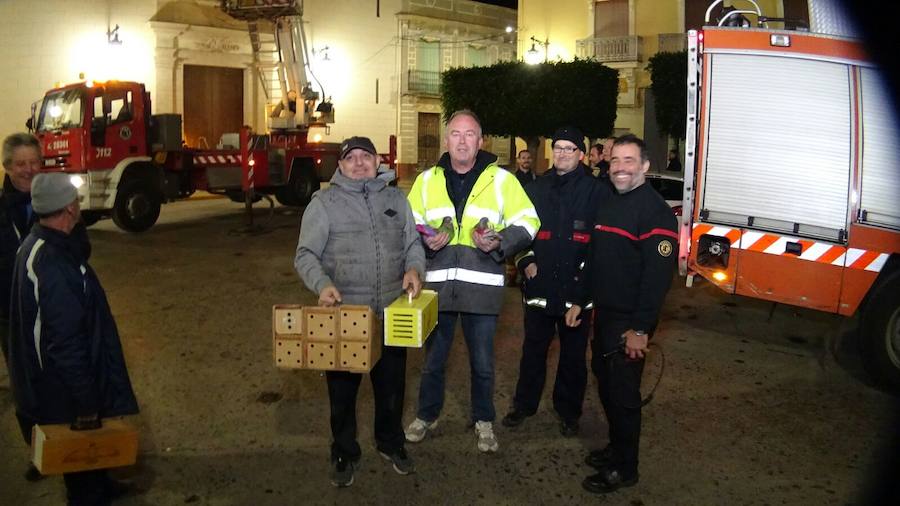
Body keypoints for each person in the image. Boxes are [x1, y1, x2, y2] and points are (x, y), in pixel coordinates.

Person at [404, 110, 540, 453]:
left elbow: (529, 221)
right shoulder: (426, 180)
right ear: (446, 139)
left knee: (482, 363)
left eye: (470, 135)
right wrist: (425, 241)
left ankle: (484, 420)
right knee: (433, 360)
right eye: (455, 134)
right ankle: (426, 414)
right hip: (436, 288)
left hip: (481, 289)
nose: (462, 141)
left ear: (481, 142)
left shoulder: (502, 180)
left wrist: (501, 242)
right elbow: (409, 225)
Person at [294, 136, 425, 488]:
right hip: (345, 318)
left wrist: (415, 269)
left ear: (377, 160)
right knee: (342, 396)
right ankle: (344, 451)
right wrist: (321, 284)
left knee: (392, 390)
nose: (359, 163)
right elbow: (305, 254)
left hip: (390, 316)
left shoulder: (397, 199)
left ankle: (390, 443)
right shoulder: (324, 203)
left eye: (365, 156)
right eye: (350, 158)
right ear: (340, 165)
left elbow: (413, 243)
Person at [6, 172, 139, 504]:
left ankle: (103, 483)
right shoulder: (53, 264)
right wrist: (85, 400)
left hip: (53, 382)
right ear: (68, 209)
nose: (79, 204)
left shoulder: (42, 244)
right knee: (81, 461)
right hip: (61, 388)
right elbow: (66, 344)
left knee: (90, 455)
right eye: (76, 200)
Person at [566, 134, 677, 494]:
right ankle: (615, 448)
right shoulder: (610, 203)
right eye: (615, 160)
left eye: (629, 161)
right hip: (605, 317)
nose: (620, 168)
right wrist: (579, 301)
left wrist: (641, 329)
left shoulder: (655, 212)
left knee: (625, 397)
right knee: (608, 385)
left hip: (629, 322)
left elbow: (656, 280)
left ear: (644, 166)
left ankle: (626, 468)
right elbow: (595, 262)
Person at [502, 126, 611, 437]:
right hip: (539, 289)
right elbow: (519, 229)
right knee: (532, 352)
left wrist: (584, 291)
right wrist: (526, 261)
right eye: (559, 147)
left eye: (570, 148)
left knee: (573, 359)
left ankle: (568, 412)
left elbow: (599, 247)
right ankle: (524, 405)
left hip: (577, 293)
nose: (563, 153)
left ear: (581, 154)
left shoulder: (597, 192)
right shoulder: (536, 188)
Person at [1, 133, 42, 481]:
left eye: (34, 162)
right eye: (21, 164)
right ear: (7, 168)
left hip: (53, 314)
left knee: (64, 380)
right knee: (25, 387)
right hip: (11, 317)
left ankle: (74, 452)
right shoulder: (1, 211)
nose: (29, 170)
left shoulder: (55, 202)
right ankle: (38, 454)